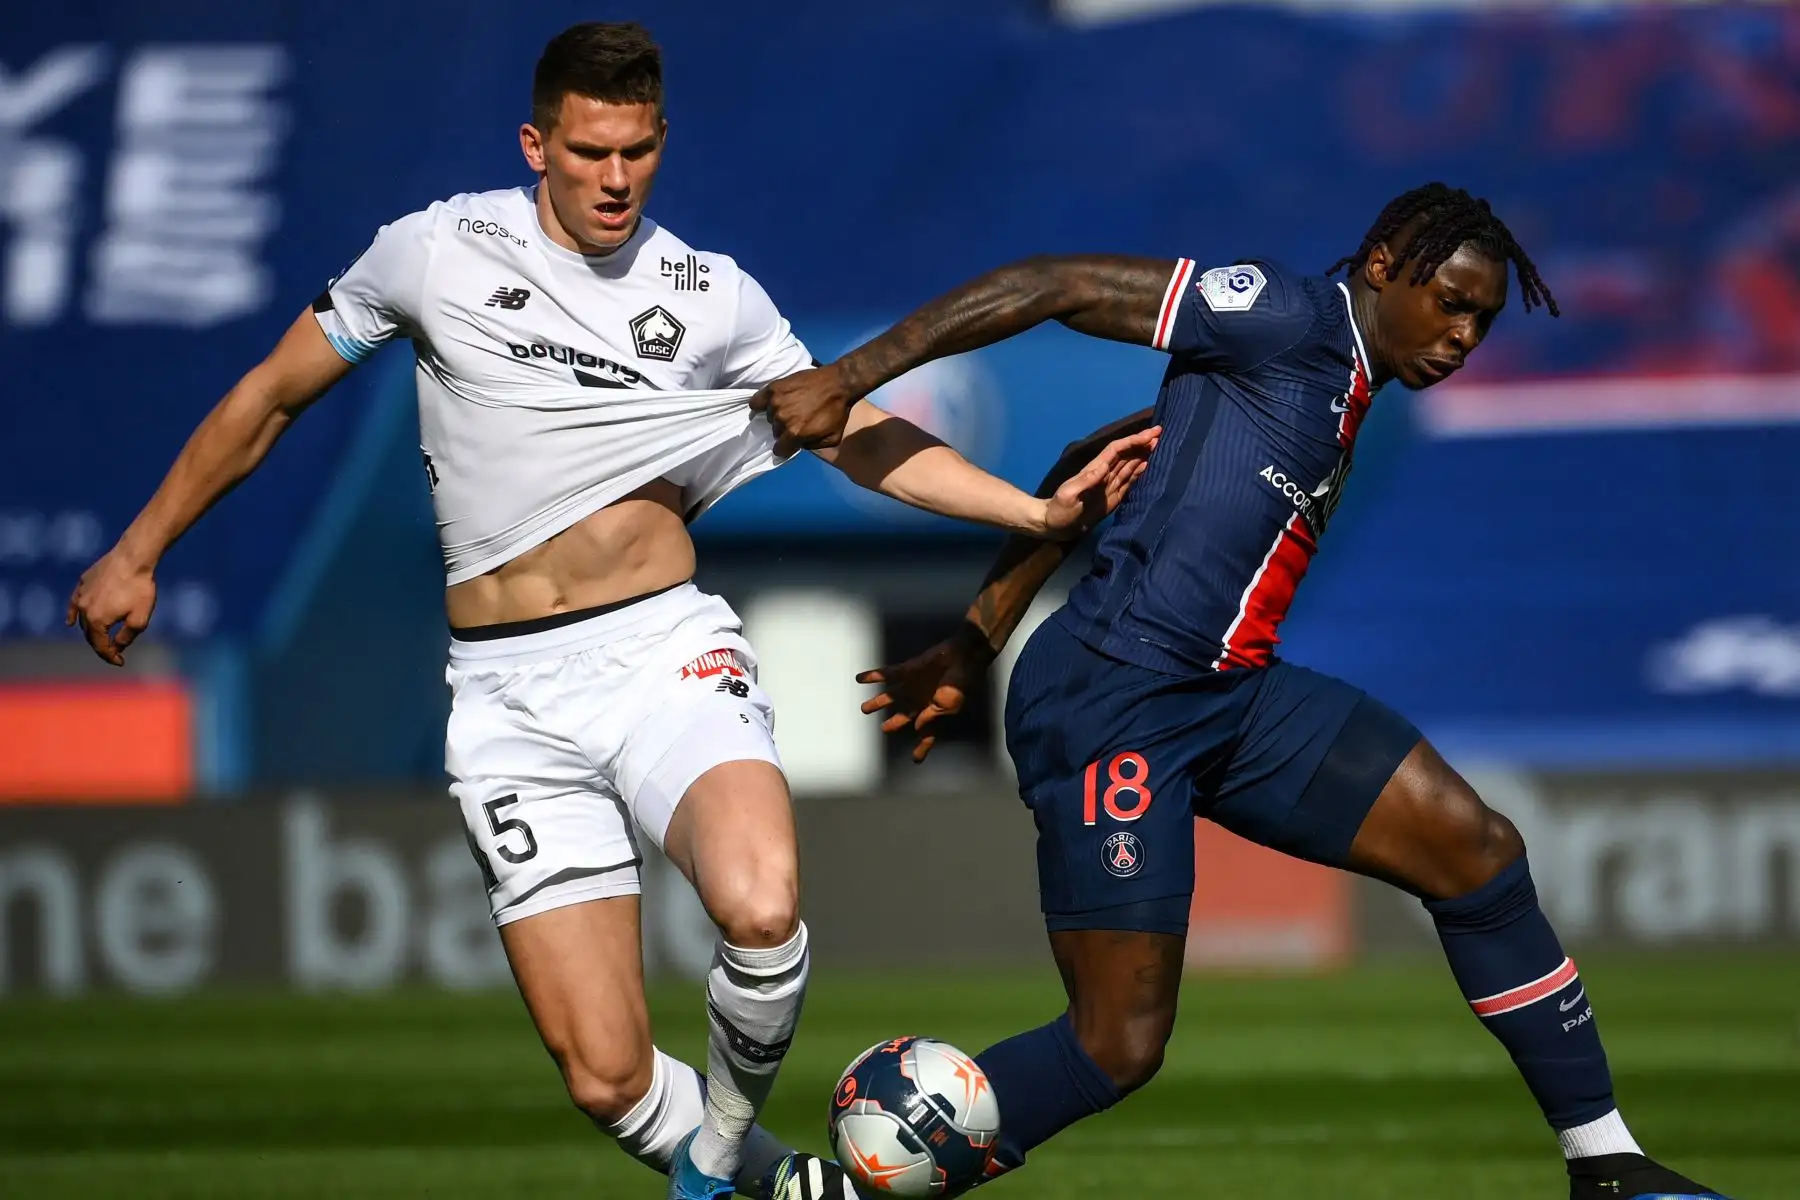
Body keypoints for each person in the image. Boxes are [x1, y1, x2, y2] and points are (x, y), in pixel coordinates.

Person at [63, 22, 1155, 1200]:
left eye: (637, 151)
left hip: (657, 653)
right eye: (589, 153)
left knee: (760, 903)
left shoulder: (709, 298)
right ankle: (791, 1187)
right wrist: (138, 548)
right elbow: (272, 395)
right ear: (538, 144)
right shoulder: (432, 252)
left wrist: (1035, 517)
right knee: (603, 1075)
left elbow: (852, 437)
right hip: (505, 697)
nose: (616, 179)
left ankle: (719, 1158)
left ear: (662, 141)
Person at [751, 184, 1730, 1200]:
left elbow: (1090, 462)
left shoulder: (1342, 385)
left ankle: (1607, 1166)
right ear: (1386, 264)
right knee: (1117, 1045)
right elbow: (1053, 284)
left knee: (1477, 852)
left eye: (1482, 317)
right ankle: (846, 1188)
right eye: (1450, 300)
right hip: (1114, 696)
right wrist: (849, 377)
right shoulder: (1285, 318)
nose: (1464, 334)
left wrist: (970, 641)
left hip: (1229, 698)